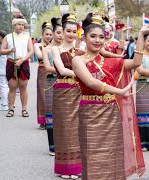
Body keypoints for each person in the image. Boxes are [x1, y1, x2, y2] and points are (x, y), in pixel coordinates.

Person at [72, 12, 149, 179]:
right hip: (89, 112)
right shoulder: (78, 60)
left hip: (111, 112)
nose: (97, 40)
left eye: (101, 37)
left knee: (112, 154)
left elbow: (136, 63)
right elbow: (91, 82)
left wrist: (140, 36)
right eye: (93, 36)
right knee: (92, 155)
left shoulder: (111, 62)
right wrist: (120, 91)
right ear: (84, 38)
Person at [51, 13, 84, 179]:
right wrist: (82, 75)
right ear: (62, 32)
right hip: (63, 91)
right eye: (68, 31)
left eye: (74, 31)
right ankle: (65, 168)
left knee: (78, 128)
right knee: (64, 128)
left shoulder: (80, 51)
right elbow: (62, 70)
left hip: (79, 91)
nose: (71, 34)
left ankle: (76, 167)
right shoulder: (55, 49)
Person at [0, 16, 33, 117]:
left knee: (23, 87)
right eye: (19, 24)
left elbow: (31, 51)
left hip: (23, 62)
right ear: (14, 25)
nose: (21, 26)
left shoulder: (27, 37)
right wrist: (10, 50)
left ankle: (24, 109)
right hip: (11, 62)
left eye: (23, 25)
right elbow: (1, 51)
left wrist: (22, 60)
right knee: (12, 87)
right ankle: (11, 109)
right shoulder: (8, 37)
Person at [42, 17, 63, 156]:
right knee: (51, 114)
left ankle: (65, 145)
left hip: (67, 83)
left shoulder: (67, 49)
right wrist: (62, 69)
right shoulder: (46, 49)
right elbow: (48, 68)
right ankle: (53, 146)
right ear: (54, 33)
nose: (61, 35)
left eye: (63, 32)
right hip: (52, 83)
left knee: (65, 115)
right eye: (59, 32)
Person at [34, 22, 53, 129]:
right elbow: (40, 56)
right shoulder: (37, 45)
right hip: (42, 70)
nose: (49, 37)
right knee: (42, 95)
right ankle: (43, 120)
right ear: (42, 34)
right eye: (47, 34)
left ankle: (52, 119)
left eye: (51, 35)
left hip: (54, 70)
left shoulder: (54, 45)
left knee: (52, 95)